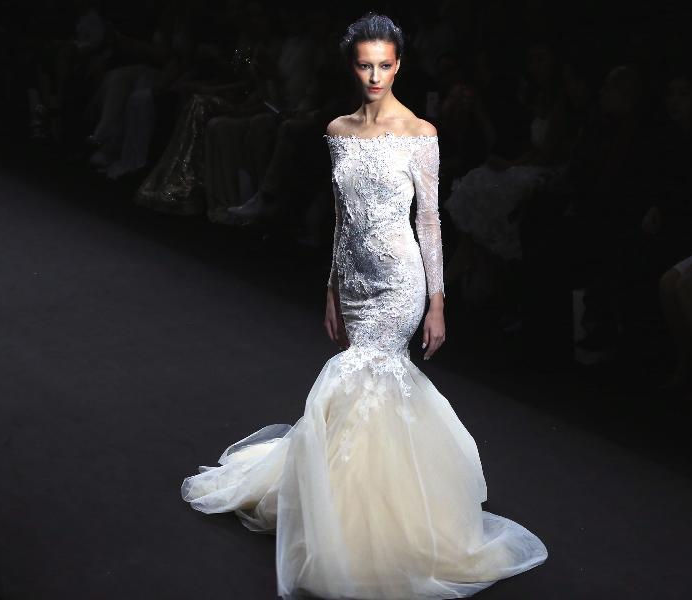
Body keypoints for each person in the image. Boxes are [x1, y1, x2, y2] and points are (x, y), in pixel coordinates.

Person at [180, 13, 548, 599]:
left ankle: (367, 521)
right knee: (360, 385)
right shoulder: (337, 130)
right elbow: (341, 216)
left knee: (363, 375)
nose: (375, 75)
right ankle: (349, 497)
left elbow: (428, 221)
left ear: (399, 64)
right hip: (353, 278)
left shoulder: (420, 132)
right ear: (352, 66)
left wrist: (437, 301)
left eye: (385, 64)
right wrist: (330, 284)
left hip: (401, 279)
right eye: (364, 65)